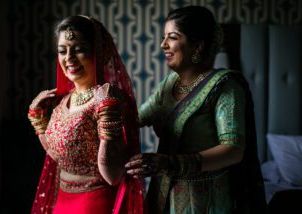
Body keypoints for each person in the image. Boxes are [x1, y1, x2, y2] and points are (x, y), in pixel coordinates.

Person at [125, 5, 267, 214]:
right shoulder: (169, 84)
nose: (163, 44)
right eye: (164, 37)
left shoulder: (225, 86)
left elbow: (233, 150)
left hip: (205, 200)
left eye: (172, 37)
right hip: (163, 194)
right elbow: (136, 118)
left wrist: (173, 163)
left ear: (197, 46)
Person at [28, 15, 143, 214]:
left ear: (100, 52)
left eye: (79, 49)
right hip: (62, 199)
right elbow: (58, 155)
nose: (69, 58)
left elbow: (113, 176)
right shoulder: (64, 100)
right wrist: (38, 118)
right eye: (62, 51)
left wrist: (108, 117)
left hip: (93, 202)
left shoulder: (109, 99)